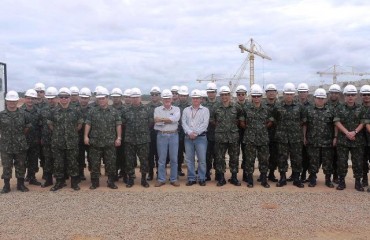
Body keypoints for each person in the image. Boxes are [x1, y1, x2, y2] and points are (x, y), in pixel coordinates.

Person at [84, 87, 122, 189]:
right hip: (95, 142)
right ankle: (95, 183)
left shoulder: (114, 111)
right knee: (95, 164)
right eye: (99, 98)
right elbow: (88, 124)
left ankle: (111, 182)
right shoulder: (92, 111)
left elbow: (118, 125)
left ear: (107, 98)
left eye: (103, 98)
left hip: (110, 142)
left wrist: (119, 138)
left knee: (111, 163)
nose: (101, 100)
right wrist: (85, 136)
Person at [48, 87, 83, 191]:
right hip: (57, 141)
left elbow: (80, 124)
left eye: (66, 97)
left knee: (73, 162)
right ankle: (59, 182)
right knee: (58, 163)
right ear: (59, 98)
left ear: (69, 98)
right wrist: (59, 133)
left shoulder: (76, 110)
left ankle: (74, 183)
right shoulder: (53, 111)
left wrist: (71, 132)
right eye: (61, 97)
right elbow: (50, 125)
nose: (64, 99)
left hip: (71, 141)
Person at [334, 84, 367, 191]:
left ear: (356, 96)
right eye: (348, 95)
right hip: (343, 140)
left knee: (357, 162)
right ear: (344, 96)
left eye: (352, 95)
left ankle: (358, 182)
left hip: (357, 140)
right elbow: (337, 121)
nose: (350, 97)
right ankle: (341, 181)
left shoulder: (361, 108)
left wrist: (355, 132)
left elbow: (363, 122)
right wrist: (347, 133)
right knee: (342, 162)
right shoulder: (339, 108)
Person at [210, 86, 245, 186]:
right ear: (220, 96)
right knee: (220, 158)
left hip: (233, 136)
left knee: (234, 157)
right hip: (220, 137)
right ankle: (221, 178)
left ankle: (234, 177)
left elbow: (241, 117)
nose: (224, 96)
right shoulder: (216, 107)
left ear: (229, 95)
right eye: (222, 95)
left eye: (226, 94)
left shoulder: (236, 106)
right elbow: (212, 119)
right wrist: (221, 126)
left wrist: (233, 124)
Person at [273, 83, 306, 188]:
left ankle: (296, 178)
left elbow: (303, 121)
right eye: (287, 94)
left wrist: (298, 131)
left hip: (296, 138)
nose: (289, 96)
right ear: (283, 94)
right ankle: (282, 178)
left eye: (291, 94)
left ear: (294, 95)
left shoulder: (299, 106)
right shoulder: (277, 106)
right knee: (282, 158)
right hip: (282, 137)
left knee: (297, 158)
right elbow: (274, 120)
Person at [243, 84, 273, 188]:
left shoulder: (267, 108)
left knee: (263, 160)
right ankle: (250, 180)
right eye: (254, 96)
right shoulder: (246, 108)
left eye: (258, 96)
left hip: (263, 138)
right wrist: (251, 128)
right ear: (251, 96)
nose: (256, 98)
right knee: (249, 160)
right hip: (250, 138)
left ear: (261, 96)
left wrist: (261, 128)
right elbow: (242, 122)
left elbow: (270, 121)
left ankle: (264, 180)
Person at [0, 91, 30, 193]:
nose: (11, 103)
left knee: (21, 165)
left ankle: (20, 185)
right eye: (9, 101)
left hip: (20, 145)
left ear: (17, 101)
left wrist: (19, 137)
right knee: (7, 166)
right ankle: (6, 186)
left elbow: (27, 127)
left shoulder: (23, 114)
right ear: (6, 101)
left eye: (14, 101)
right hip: (6, 145)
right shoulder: (1, 115)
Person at [304, 88, 335, 188]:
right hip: (313, 141)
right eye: (318, 98)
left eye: (322, 98)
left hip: (327, 141)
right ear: (314, 98)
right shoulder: (308, 110)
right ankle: (313, 179)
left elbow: (335, 125)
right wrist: (304, 136)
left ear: (325, 99)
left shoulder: (331, 110)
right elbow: (305, 124)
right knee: (313, 160)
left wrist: (335, 137)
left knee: (328, 161)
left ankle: (328, 179)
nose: (320, 100)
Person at [122, 88, 152, 188]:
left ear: (140, 98)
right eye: (133, 97)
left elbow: (150, 123)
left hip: (143, 140)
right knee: (129, 160)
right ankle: (131, 179)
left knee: (144, 160)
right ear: (130, 98)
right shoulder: (125, 110)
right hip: (129, 140)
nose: (135, 99)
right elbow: (123, 123)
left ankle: (143, 179)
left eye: (137, 97)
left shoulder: (147, 109)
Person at [182, 89, 209, 186]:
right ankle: (191, 178)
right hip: (188, 138)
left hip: (201, 138)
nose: (195, 100)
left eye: (197, 98)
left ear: (201, 99)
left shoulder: (205, 110)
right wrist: (189, 133)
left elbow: (204, 124)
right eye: (194, 98)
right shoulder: (186, 110)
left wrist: (196, 133)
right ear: (191, 99)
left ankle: (202, 178)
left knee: (202, 160)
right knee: (189, 159)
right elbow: (183, 122)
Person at [154, 89, 181, 187]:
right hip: (161, 135)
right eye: (165, 98)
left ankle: (173, 179)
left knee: (174, 158)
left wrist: (162, 119)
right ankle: (161, 179)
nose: (167, 100)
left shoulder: (177, 109)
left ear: (172, 99)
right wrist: (169, 119)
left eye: (168, 98)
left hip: (174, 135)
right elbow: (157, 122)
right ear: (162, 99)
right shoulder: (157, 109)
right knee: (161, 159)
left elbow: (175, 119)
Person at [22, 89, 42, 186]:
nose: (30, 101)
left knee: (33, 160)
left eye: (32, 99)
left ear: (35, 100)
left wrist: (40, 138)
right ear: (25, 99)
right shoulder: (20, 111)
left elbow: (41, 126)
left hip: (35, 140)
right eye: (28, 98)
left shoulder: (38, 112)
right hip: (22, 141)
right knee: (22, 160)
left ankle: (32, 177)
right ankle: (22, 178)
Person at [40, 87, 59, 187]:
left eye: (53, 98)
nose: (51, 100)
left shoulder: (61, 109)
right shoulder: (43, 111)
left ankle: (61, 180)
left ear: (56, 98)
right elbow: (40, 126)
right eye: (49, 98)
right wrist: (42, 138)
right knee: (48, 160)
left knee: (59, 160)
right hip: (47, 139)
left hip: (59, 140)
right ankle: (48, 180)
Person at [296, 83, 311, 183]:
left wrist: (305, 136)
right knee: (296, 155)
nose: (302, 94)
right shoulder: (294, 104)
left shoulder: (311, 106)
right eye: (300, 92)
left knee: (306, 155)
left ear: (307, 93)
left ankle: (304, 173)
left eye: (304, 92)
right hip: (294, 134)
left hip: (308, 133)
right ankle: (295, 174)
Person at [327, 84, 342, 184]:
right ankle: (327, 177)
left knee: (337, 157)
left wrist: (336, 136)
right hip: (326, 135)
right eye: (332, 93)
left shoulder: (342, 107)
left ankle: (336, 176)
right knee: (328, 157)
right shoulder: (325, 105)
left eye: (336, 93)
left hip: (339, 136)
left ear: (339, 94)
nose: (334, 95)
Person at [264, 83, 279, 182]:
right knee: (264, 156)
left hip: (276, 135)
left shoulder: (280, 105)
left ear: (276, 93)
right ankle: (263, 173)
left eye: (273, 92)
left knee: (274, 156)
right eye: (269, 92)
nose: (271, 94)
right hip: (264, 135)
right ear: (266, 93)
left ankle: (272, 173)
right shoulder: (262, 106)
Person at [146, 86, 162, 181]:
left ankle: (160, 173)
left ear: (159, 95)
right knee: (150, 155)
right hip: (149, 134)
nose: (154, 96)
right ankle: (150, 173)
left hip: (161, 134)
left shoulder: (163, 106)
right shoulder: (146, 107)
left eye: (156, 94)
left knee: (160, 155)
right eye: (152, 94)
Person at [110, 88, 125, 181]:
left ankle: (123, 173)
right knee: (113, 157)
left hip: (125, 136)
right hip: (111, 136)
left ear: (121, 97)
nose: (115, 99)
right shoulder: (109, 109)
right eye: (114, 97)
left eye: (117, 97)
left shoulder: (126, 109)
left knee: (123, 156)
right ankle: (114, 174)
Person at [77, 87, 93, 180]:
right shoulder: (74, 109)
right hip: (77, 137)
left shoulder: (93, 109)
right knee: (79, 156)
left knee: (91, 156)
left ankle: (93, 173)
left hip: (90, 137)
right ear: (79, 98)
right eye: (82, 98)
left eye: (86, 98)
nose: (84, 100)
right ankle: (81, 173)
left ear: (89, 99)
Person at [203, 82, 218, 181]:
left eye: (212, 92)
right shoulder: (203, 105)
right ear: (207, 93)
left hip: (218, 135)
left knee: (218, 155)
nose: (211, 94)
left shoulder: (220, 104)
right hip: (207, 134)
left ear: (216, 92)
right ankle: (207, 173)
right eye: (209, 92)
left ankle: (218, 174)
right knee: (207, 155)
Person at [175, 85, 191, 177]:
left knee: (189, 154)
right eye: (181, 95)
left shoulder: (191, 106)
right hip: (177, 133)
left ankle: (190, 172)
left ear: (187, 96)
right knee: (178, 153)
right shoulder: (174, 106)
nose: (183, 97)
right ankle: (178, 170)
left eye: (185, 95)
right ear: (178, 96)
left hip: (188, 134)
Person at [235, 84, 248, 182]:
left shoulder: (249, 106)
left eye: (242, 94)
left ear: (245, 95)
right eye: (239, 94)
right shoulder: (233, 106)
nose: (241, 96)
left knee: (246, 155)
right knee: (235, 154)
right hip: (235, 133)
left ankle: (246, 174)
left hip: (247, 133)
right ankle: (234, 175)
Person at [360, 85, 370, 187]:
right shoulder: (358, 108)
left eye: (368, 94)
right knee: (362, 161)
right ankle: (364, 179)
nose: (366, 96)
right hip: (361, 140)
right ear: (361, 96)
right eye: (364, 94)